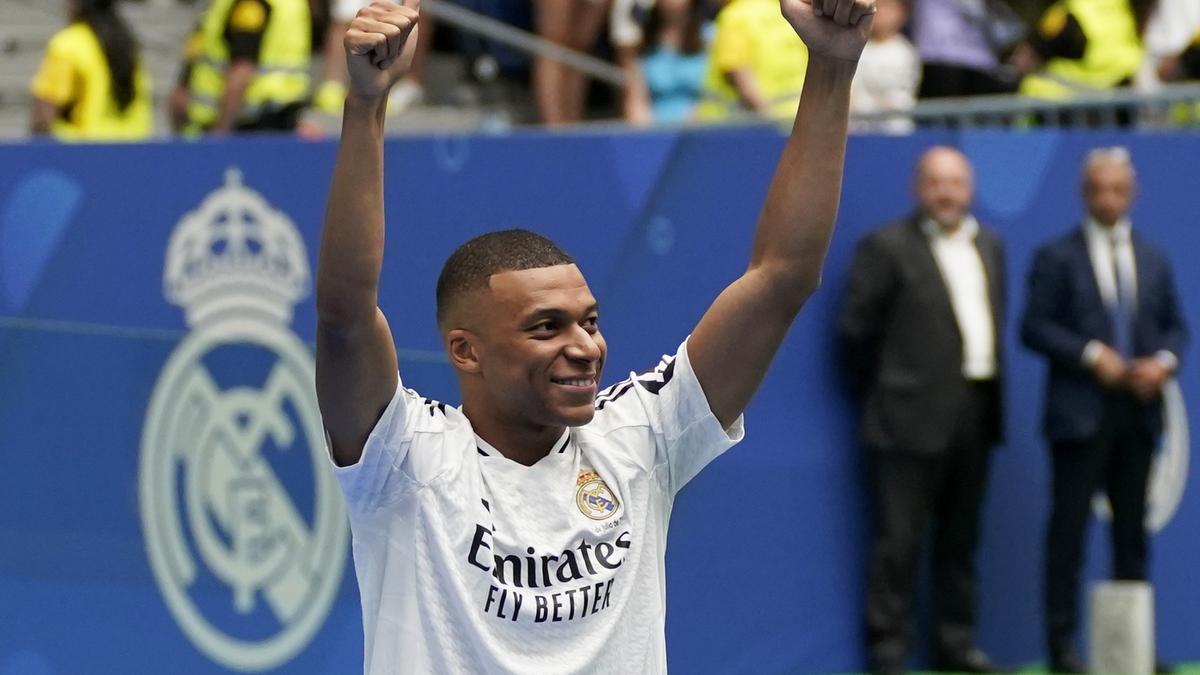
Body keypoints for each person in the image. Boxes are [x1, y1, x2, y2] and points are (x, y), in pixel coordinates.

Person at [317, 0, 874, 671]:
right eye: (545, 327)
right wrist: (367, 105)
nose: (584, 345)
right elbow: (346, 316)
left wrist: (833, 68)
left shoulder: (642, 433)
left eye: (589, 320)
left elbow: (782, 276)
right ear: (465, 349)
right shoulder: (404, 459)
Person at [1021, 147, 1189, 673]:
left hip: (1138, 415)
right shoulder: (1056, 256)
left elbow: (1176, 327)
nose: (1107, 199)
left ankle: (1132, 647)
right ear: (1084, 193)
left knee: (1132, 535)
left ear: (1131, 193)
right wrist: (1094, 357)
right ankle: (1062, 648)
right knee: (1067, 534)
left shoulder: (1154, 256)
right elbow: (1034, 327)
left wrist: (1160, 364)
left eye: (1117, 189)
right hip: (1079, 414)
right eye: (1098, 189)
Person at [838, 147, 1006, 675]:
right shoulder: (886, 247)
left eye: (956, 181)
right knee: (899, 541)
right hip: (905, 416)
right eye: (936, 182)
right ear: (917, 187)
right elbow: (854, 334)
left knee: (961, 538)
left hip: (976, 409)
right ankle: (889, 651)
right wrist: (894, 389)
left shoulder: (991, 246)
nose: (947, 192)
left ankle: (955, 645)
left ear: (970, 187)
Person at [182, 0, 313, 134]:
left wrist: (221, 132)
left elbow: (241, 70)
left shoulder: (250, 6)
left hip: (249, 126)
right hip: (282, 120)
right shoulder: (293, 4)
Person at [29, 0, 152, 141]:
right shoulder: (129, 46)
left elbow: (43, 118)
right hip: (136, 151)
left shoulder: (68, 45)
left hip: (84, 153)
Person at [695, 0, 810, 121]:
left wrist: (773, 125)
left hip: (737, 130)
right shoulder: (787, 13)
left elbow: (741, 79)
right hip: (800, 119)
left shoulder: (735, 18)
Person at [849, 0, 919, 133]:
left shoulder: (905, 52)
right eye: (878, 8)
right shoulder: (856, 48)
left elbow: (901, 96)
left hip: (895, 128)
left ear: (902, 14)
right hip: (860, 129)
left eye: (889, 9)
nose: (882, 14)